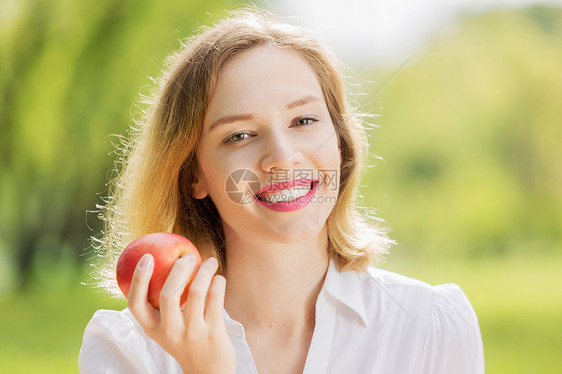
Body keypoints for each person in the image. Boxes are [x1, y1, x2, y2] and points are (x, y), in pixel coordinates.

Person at [79, 8, 485, 374]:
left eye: (304, 121)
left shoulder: (431, 325)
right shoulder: (130, 349)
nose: (282, 157)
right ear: (193, 175)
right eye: (239, 135)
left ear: (341, 141)